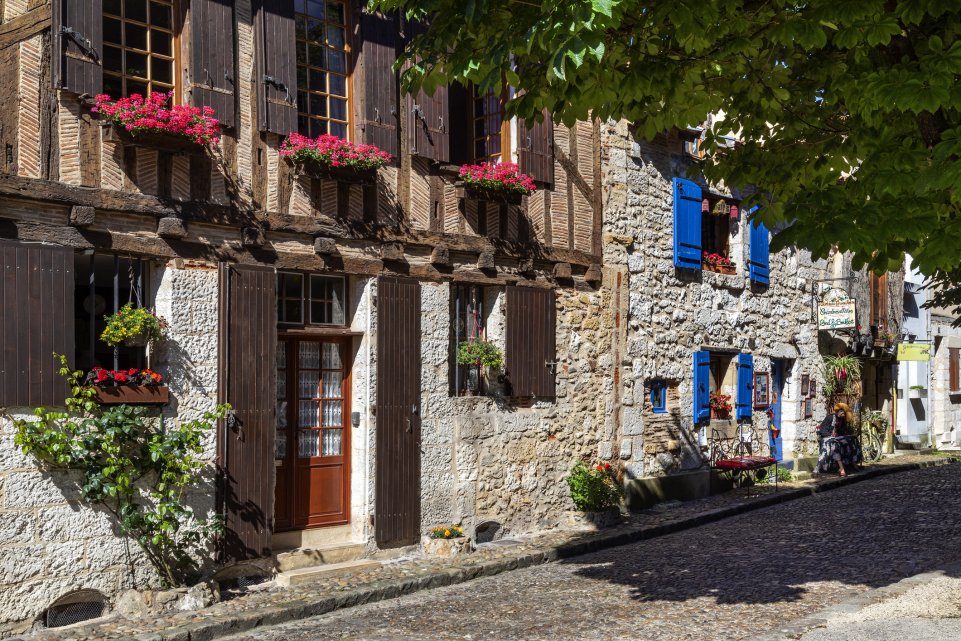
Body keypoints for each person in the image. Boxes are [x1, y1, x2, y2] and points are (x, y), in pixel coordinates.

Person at [814, 403, 862, 476]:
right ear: (838, 411)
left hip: (836, 438)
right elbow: (822, 431)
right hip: (826, 439)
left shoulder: (841, 420)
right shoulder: (830, 418)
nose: (843, 413)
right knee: (835, 444)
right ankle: (841, 468)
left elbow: (842, 432)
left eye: (844, 412)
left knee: (852, 440)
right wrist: (831, 435)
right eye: (841, 412)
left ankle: (853, 463)